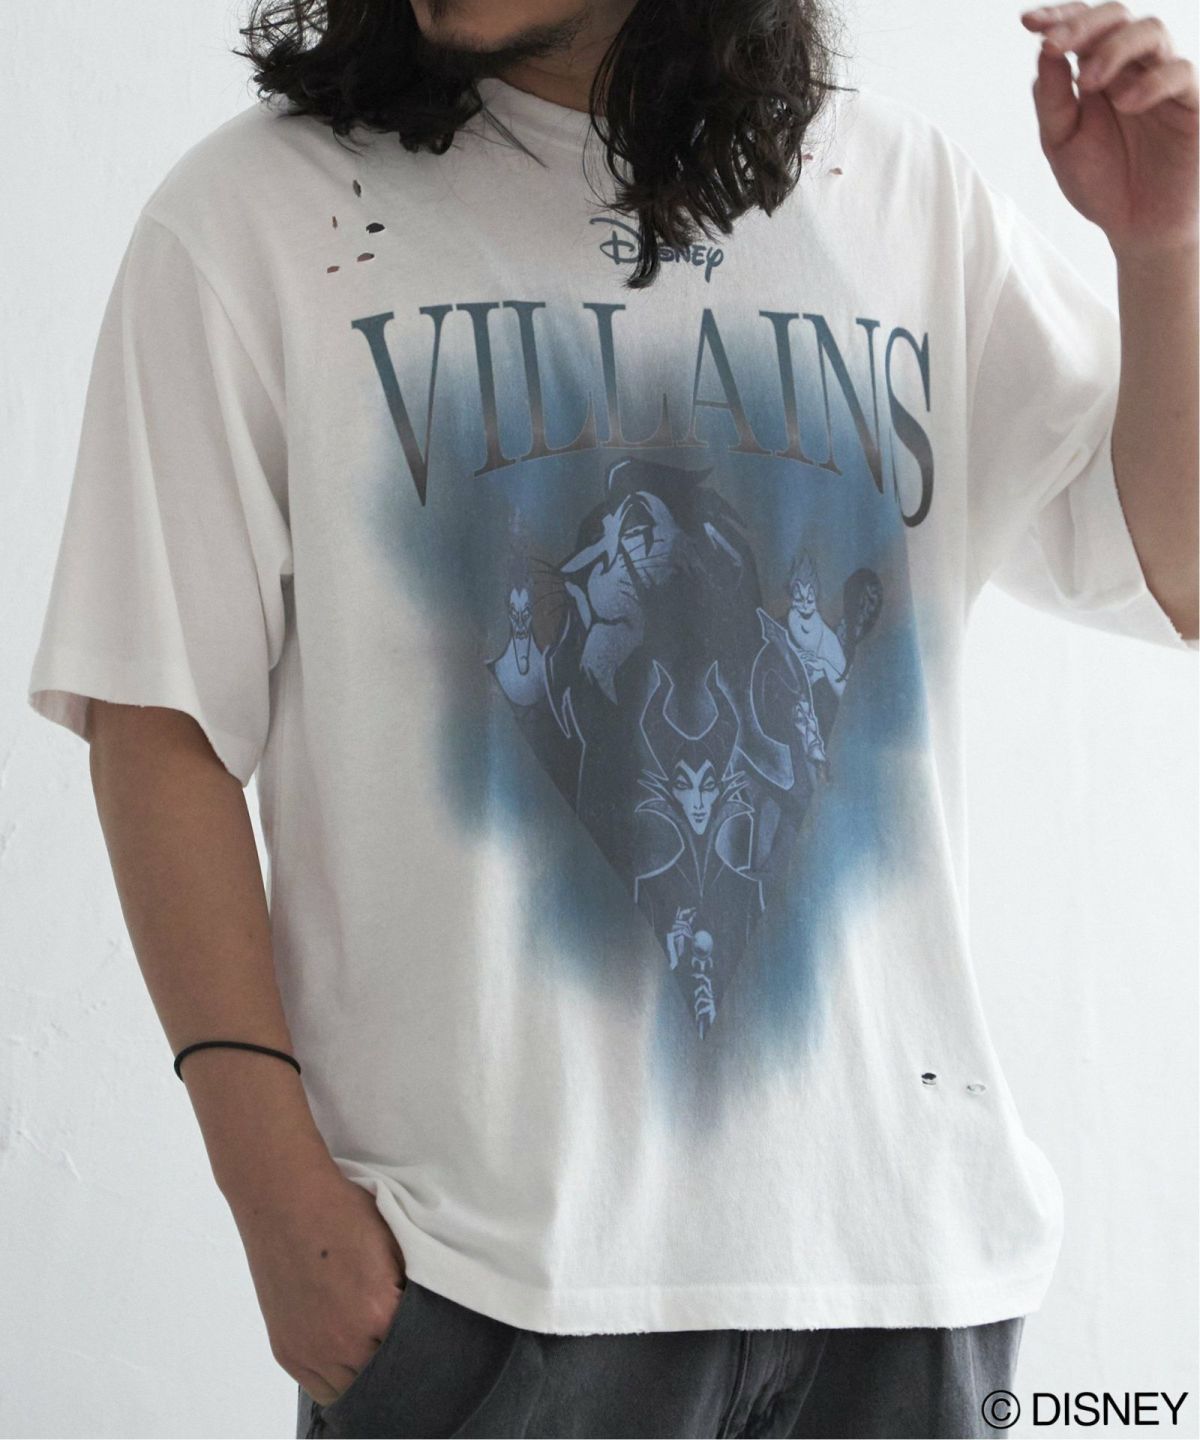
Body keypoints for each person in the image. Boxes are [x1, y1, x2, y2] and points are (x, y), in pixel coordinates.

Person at [26, 0, 1198, 1435]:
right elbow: (156, 714)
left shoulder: (892, 193)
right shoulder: (253, 218)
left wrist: (1164, 251)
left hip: (907, 1273)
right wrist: (275, 1199)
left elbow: (1175, 569)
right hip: (496, 1284)